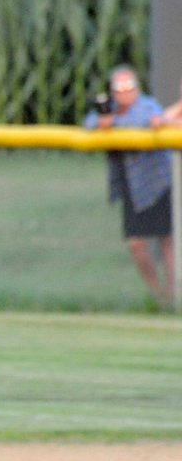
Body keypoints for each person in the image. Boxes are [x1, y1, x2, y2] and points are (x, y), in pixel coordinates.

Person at [84, 65, 176, 308]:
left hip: (158, 181)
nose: (125, 93)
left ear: (137, 88)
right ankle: (158, 297)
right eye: (120, 89)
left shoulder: (147, 105)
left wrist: (113, 122)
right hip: (133, 188)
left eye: (129, 87)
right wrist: (106, 120)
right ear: (113, 93)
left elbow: (148, 120)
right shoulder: (111, 112)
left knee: (167, 240)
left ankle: (173, 297)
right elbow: (90, 124)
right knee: (136, 243)